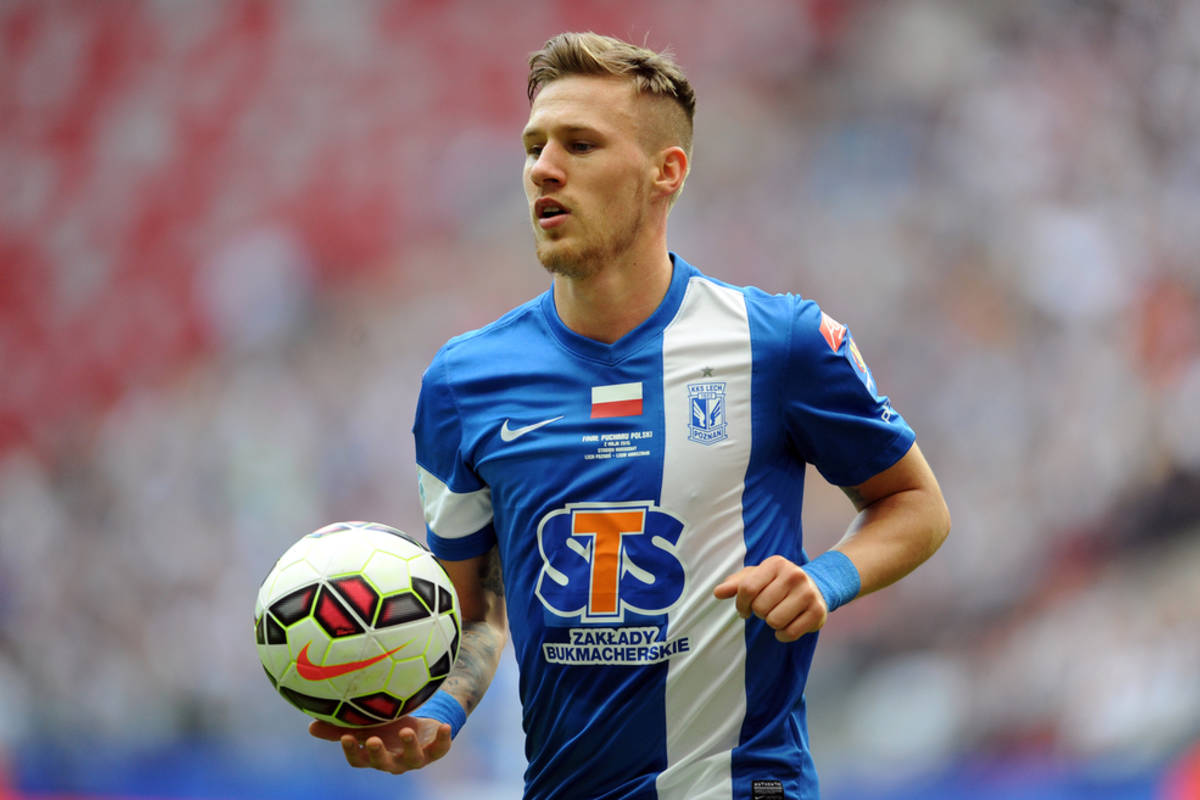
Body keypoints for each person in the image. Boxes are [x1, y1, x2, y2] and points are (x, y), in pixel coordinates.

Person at [310, 31, 951, 800]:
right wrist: (438, 710)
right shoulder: (463, 382)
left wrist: (825, 580)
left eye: (580, 145)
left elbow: (915, 504)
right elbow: (478, 612)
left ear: (665, 172)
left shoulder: (778, 343)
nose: (543, 168)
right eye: (534, 146)